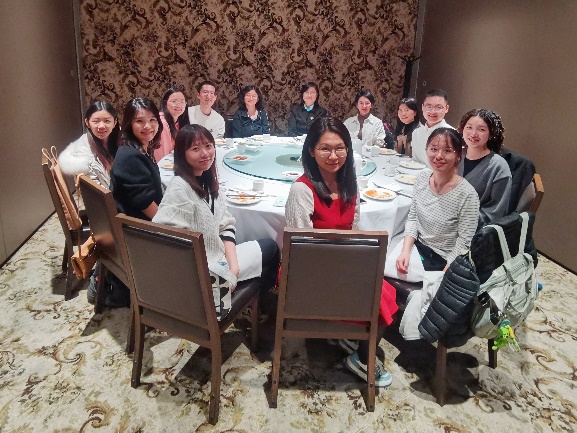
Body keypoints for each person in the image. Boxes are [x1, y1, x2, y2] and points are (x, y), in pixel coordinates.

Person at [285, 117, 397, 388]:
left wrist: (355, 264)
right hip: (308, 271)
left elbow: (353, 232)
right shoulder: (302, 190)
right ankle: (362, 356)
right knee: (378, 298)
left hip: (341, 263)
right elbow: (300, 251)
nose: (333, 156)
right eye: (325, 148)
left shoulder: (349, 185)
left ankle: (354, 338)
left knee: (384, 290)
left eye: (340, 148)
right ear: (311, 150)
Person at [152, 124, 280, 319]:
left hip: (218, 260)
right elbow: (167, 236)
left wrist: (233, 267)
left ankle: (249, 303)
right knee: (270, 250)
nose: (205, 153)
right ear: (182, 154)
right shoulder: (179, 187)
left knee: (269, 247)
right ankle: (246, 306)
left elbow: (226, 225)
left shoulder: (207, 180)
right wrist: (216, 271)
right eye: (195, 149)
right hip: (203, 274)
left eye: (208, 146)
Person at [387, 128, 480, 339]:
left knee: (377, 267)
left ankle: (412, 300)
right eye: (433, 148)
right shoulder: (421, 178)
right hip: (416, 249)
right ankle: (383, 312)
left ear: (459, 155)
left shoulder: (467, 195)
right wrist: (405, 250)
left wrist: (444, 275)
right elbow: (413, 218)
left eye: (447, 150)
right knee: (374, 255)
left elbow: (464, 243)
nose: (438, 156)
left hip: (439, 260)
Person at [110, 98, 164, 221]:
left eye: (152, 120)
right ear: (129, 124)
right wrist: (170, 226)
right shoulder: (129, 156)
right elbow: (145, 202)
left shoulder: (142, 148)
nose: (147, 126)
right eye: (139, 121)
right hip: (137, 226)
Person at [458, 109, 511, 227]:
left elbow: (495, 213)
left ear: (491, 134)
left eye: (481, 129)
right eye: (469, 127)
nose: (473, 134)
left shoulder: (499, 167)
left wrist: (460, 218)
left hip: (472, 229)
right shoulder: (455, 156)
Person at [59, 101, 119, 189]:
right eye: (96, 121)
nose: (101, 126)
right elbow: (98, 191)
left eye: (107, 121)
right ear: (87, 122)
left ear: (114, 122)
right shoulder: (82, 154)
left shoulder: (122, 142)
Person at [411, 89, 454, 166]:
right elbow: (415, 161)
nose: (433, 111)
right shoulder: (417, 133)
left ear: (446, 108)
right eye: (429, 107)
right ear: (423, 107)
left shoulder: (452, 134)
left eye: (438, 107)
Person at [154, 86, 190, 162]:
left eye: (182, 102)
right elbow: (162, 158)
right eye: (174, 101)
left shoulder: (178, 122)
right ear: (165, 103)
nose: (179, 105)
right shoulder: (162, 123)